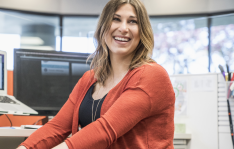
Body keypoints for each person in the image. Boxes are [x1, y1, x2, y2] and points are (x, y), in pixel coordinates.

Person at [17, 0, 175, 148]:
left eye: (132, 21)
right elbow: (57, 127)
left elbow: (106, 129)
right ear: (104, 26)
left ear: (143, 31)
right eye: (116, 19)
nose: (124, 28)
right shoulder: (90, 78)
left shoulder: (152, 75)